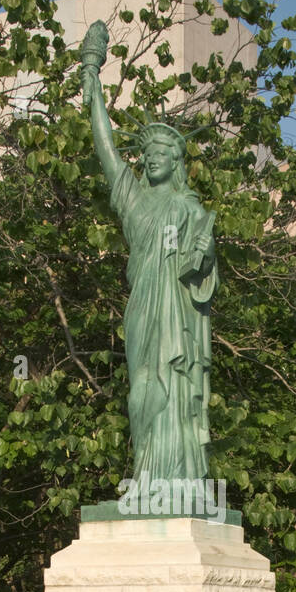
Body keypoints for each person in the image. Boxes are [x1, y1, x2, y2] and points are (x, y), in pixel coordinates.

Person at [82, 54, 218, 484]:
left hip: (177, 311)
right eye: (146, 153)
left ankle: (177, 478)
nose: (151, 158)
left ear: (176, 161)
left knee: (174, 382)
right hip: (142, 306)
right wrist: (92, 85)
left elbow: (202, 274)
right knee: (141, 387)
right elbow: (106, 150)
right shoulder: (132, 199)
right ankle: (146, 476)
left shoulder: (189, 207)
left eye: (161, 152)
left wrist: (205, 255)